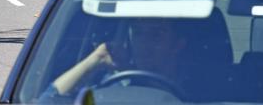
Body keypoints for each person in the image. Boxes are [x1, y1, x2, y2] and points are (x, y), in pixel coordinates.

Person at [50, 19, 187, 96]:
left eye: (156, 34)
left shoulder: (199, 88)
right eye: (138, 33)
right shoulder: (110, 87)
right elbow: (47, 100)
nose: (144, 43)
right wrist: (96, 59)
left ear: (177, 44)